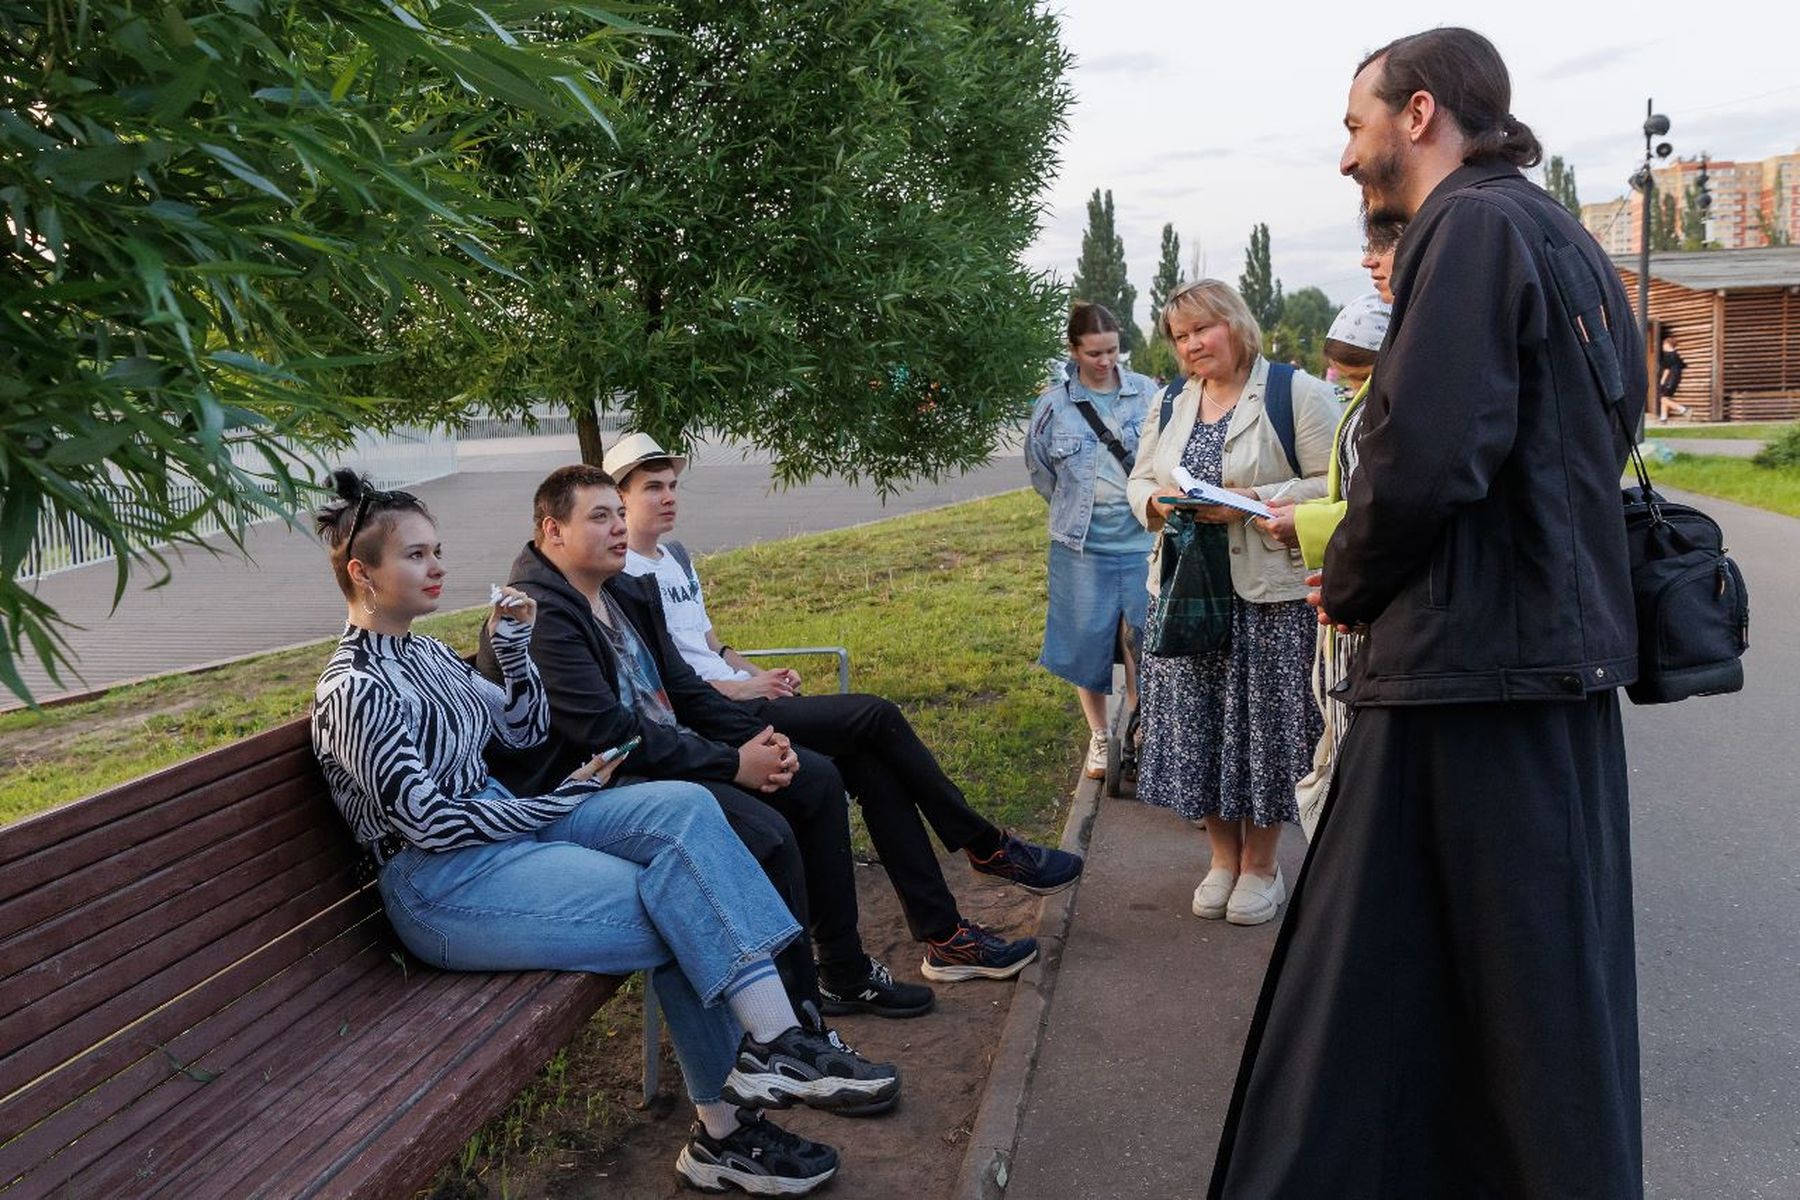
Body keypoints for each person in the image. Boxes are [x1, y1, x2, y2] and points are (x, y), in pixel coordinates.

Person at [1208, 28, 1644, 1199]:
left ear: (1418, 114)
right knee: (1530, 1009)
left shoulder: (1468, 228)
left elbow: (1425, 458)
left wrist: (1348, 581)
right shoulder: (1558, 233)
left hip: (1462, 678)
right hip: (1535, 672)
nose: (1347, 155)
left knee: (1366, 1016)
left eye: (1356, 125)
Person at [306, 471, 886, 1196]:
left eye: (437, 551)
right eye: (416, 555)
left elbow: (520, 730)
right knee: (679, 903)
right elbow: (429, 822)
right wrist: (558, 802)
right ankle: (733, 1122)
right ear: (362, 573)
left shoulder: (425, 656)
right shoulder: (354, 689)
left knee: (684, 809)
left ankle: (772, 1047)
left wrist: (513, 649)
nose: (437, 567)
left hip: (507, 839)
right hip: (442, 883)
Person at [603, 434, 1083, 995]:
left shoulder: (677, 556)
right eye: (652, 488)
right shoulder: (620, 573)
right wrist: (742, 689)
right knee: (874, 716)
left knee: (873, 766)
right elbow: (663, 681)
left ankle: (946, 937)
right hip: (715, 717)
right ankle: (984, 844)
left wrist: (758, 672)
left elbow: (709, 643)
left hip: (747, 694)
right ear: (620, 498)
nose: (667, 497)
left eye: (672, 486)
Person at [477, 465, 934, 1027]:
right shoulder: (538, 615)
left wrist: (760, 740)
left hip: (658, 758)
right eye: (599, 517)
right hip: (594, 788)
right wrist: (734, 764)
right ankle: (795, 1024)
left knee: (814, 778)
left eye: (619, 513)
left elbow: (684, 688)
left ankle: (843, 970)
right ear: (553, 530)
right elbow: (609, 736)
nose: (619, 527)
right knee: (767, 835)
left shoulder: (620, 590)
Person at [1126, 280, 1339, 926]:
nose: (1191, 345)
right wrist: (1157, 502)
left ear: (1235, 325)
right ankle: (1221, 859)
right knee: (1199, 727)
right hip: (1186, 591)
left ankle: (1262, 866)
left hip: (1267, 595)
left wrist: (1249, 501)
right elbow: (1140, 479)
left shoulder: (1294, 392)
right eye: (1180, 336)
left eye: (1202, 329)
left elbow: (1336, 484)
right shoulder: (1170, 400)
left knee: (1265, 731)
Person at [1025, 303, 1159, 778]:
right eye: (1094, 353)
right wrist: (1073, 509)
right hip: (1082, 547)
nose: (1105, 361)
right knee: (1087, 642)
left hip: (1143, 541)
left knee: (1143, 640)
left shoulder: (1147, 393)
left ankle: (1142, 730)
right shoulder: (1052, 406)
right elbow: (1042, 471)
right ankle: (1099, 737)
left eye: (1112, 351)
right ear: (1074, 350)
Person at [1658, 329, 1689, 421]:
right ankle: (1663, 418)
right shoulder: (1676, 355)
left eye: (1663, 344)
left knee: (1663, 399)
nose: (1663, 346)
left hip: (1670, 380)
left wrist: (1662, 382)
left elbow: (1667, 370)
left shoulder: (1668, 355)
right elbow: (1682, 366)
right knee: (1664, 397)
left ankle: (1682, 409)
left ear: (1668, 345)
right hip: (1675, 380)